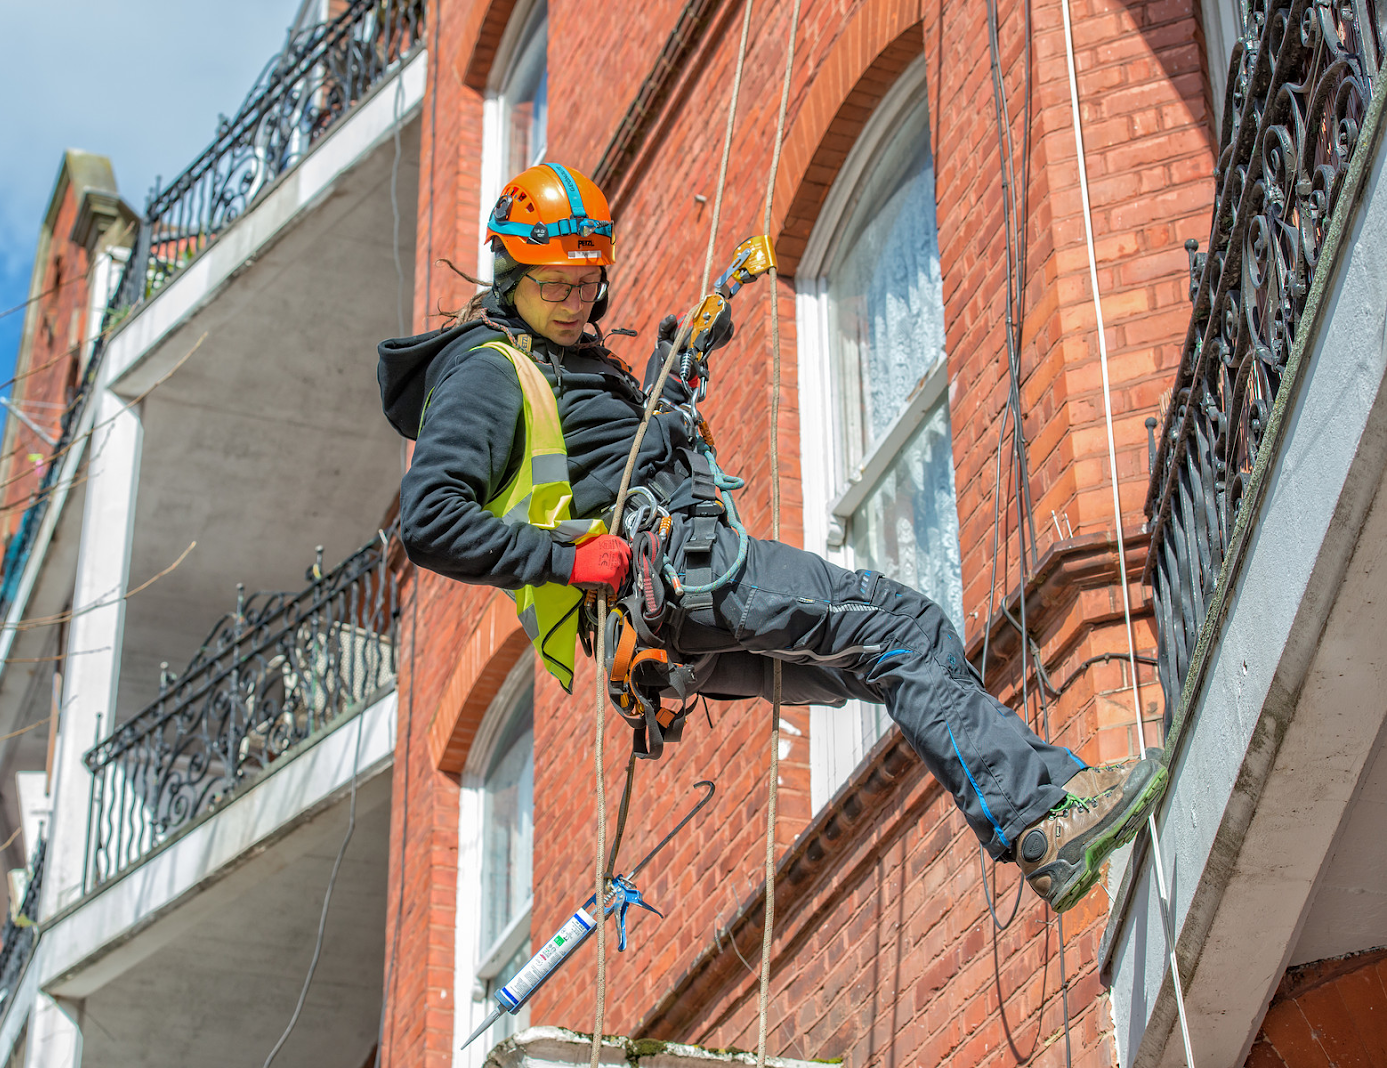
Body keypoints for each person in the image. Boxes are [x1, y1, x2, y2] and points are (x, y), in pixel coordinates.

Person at [377, 162, 1166, 913]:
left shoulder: (564, 358)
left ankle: (1043, 813)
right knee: (904, 629)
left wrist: (671, 383)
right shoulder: (485, 369)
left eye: (589, 283)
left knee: (881, 664)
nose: (577, 301)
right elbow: (431, 519)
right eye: (555, 285)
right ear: (510, 278)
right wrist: (567, 559)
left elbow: (607, 459)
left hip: (669, 617)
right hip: (682, 575)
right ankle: (1042, 819)